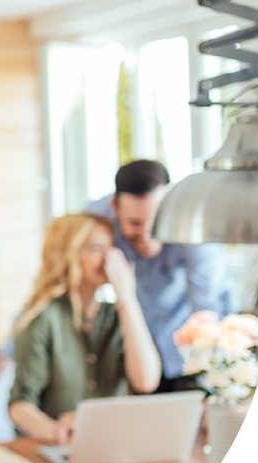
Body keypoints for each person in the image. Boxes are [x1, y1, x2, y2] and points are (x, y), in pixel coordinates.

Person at [8, 213, 161, 444]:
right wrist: (58, 432)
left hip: (111, 446)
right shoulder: (43, 319)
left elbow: (146, 381)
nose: (108, 258)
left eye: (111, 248)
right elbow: (20, 407)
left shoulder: (118, 315)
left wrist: (128, 300)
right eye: (96, 248)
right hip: (54, 452)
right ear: (67, 253)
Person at [86, 159, 236, 392]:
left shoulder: (196, 224)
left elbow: (208, 310)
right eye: (135, 223)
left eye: (155, 221)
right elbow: (64, 277)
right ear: (114, 206)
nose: (146, 233)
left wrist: (215, 384)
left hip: (188, 350)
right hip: (132, 350)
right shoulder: (94, 221)